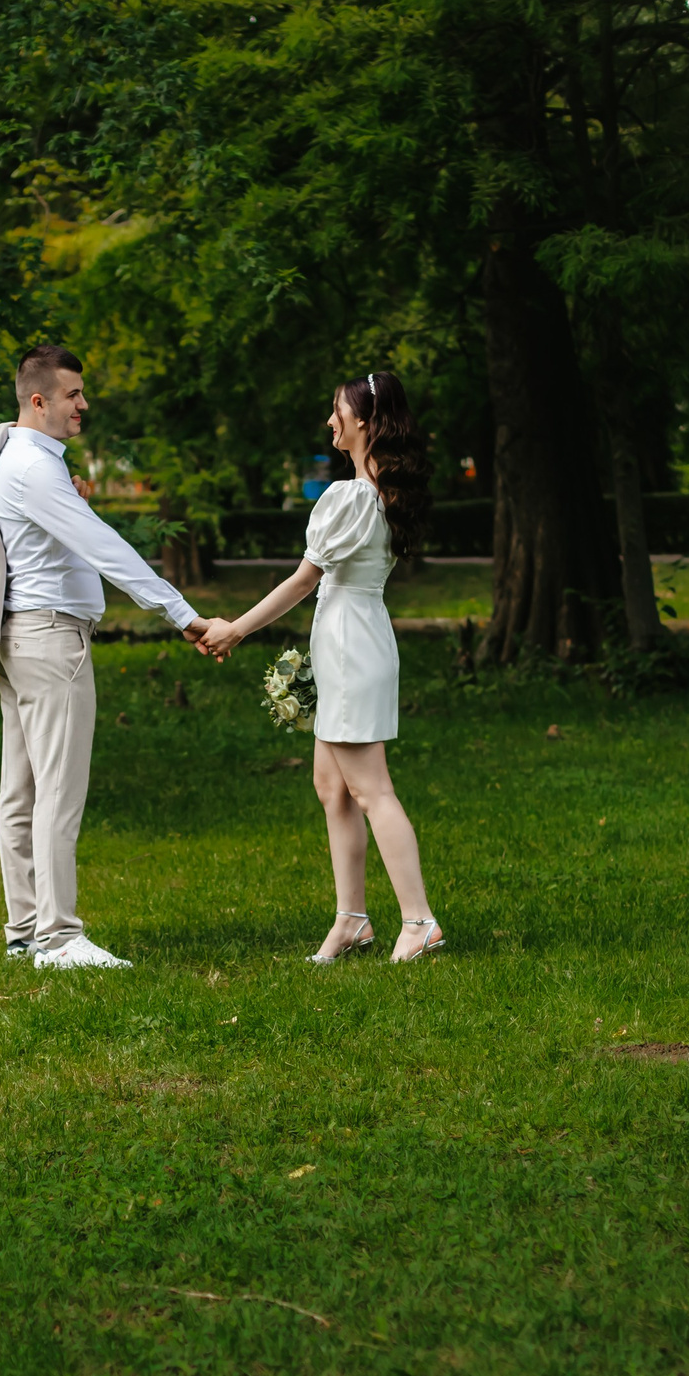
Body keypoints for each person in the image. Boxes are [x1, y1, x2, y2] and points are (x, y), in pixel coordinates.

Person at [0, 344, 216, 969]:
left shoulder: (18, 456)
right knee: (55, 793)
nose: (84, 405)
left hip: (24, 638)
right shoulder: (34, 469)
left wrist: (75, 499)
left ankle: (24, 930)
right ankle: (58, 938)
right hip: (49, 639)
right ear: (39, 402)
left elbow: (66, 536)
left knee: (23, 792)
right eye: (73, 395)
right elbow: (107, 548)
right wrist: (184, 614)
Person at [201, 373, 443, 962]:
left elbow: (305, 579)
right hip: (349, 639)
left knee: (370, 788)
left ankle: (419, 922)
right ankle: (352, 920)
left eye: (337, 412)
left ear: (364, 421)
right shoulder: (373, 492)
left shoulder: (356, 497)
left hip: (351, 645)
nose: (330, 422)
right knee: (332, 785)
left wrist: (235, 627)